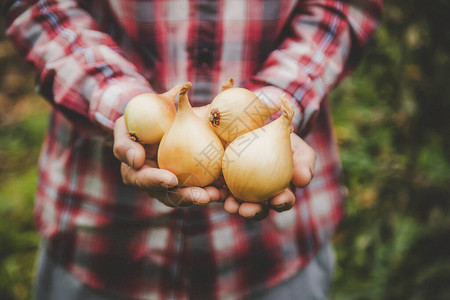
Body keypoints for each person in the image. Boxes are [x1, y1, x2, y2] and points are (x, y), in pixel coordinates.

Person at [4, 0, 382, 299]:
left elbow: (342, 7)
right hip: (99, 234)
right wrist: (122, 103)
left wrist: (274, 105)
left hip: (276, 252)